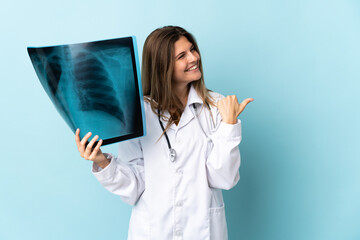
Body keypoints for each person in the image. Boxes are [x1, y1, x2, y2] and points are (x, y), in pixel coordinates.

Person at [75, 26, 253, 240]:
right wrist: (102, 161)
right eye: (182, 55)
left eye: (193, 50)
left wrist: (229, 125)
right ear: (163, 66)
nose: (194, 58)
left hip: (202, 231)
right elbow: (134, 188)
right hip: (153, 231)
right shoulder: (138, 113)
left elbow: (224, 178)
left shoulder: (216, 106)